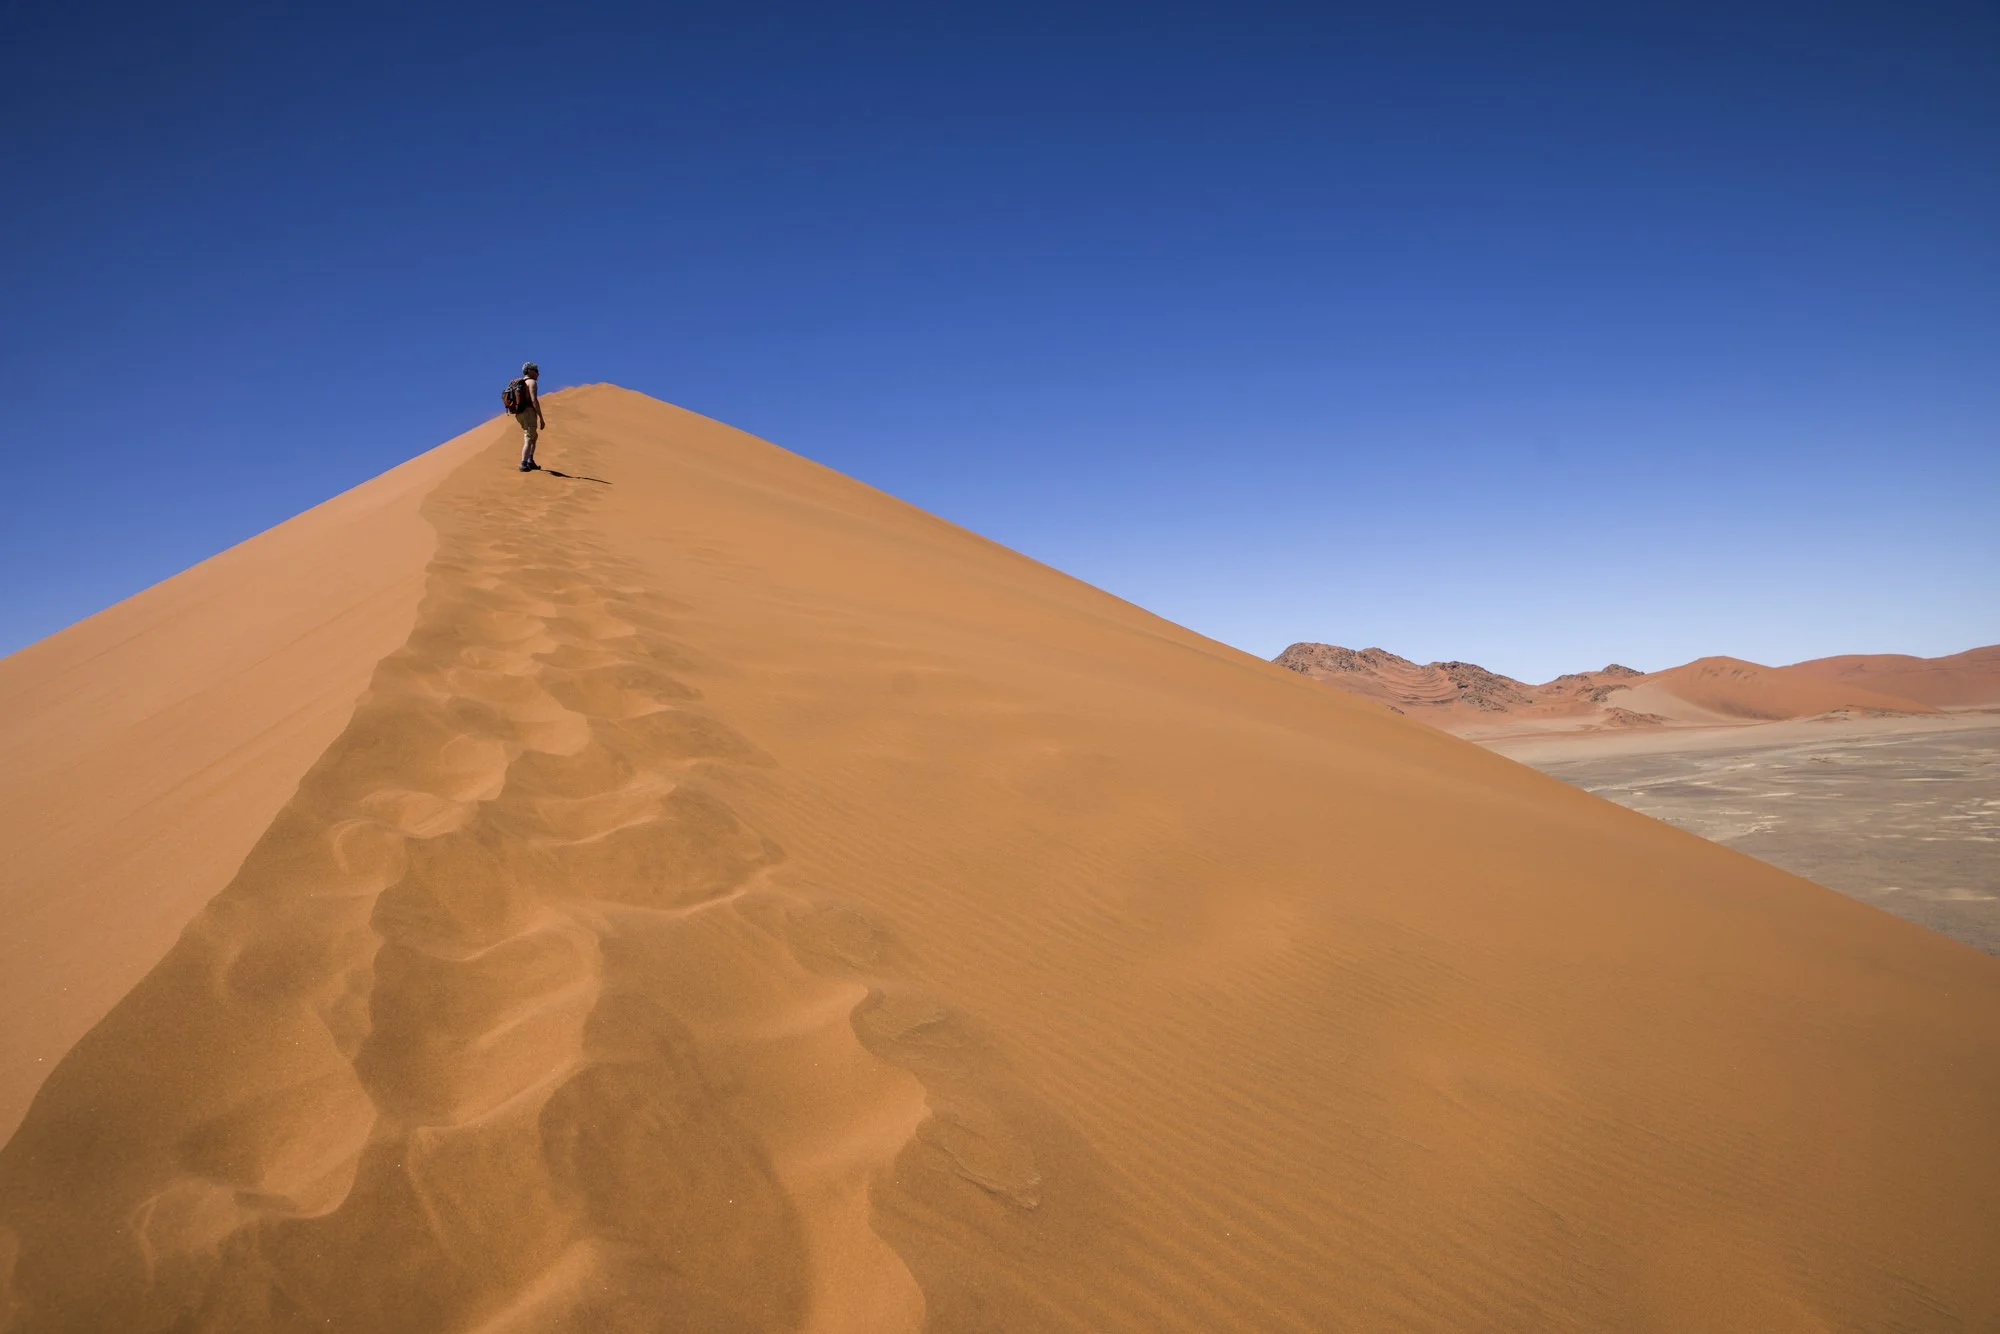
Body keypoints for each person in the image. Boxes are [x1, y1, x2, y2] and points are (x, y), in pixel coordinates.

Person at [513, 362, 547, 471]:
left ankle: (530, 460)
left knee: (534, 436)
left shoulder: (519, 383)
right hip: (528, 412)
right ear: (530, 371)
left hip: (519, 414)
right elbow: (534, 400)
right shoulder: (531, 382)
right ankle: (523, 463)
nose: (538, 373)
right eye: (536, 370)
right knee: (528, 437)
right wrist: (541, 418)